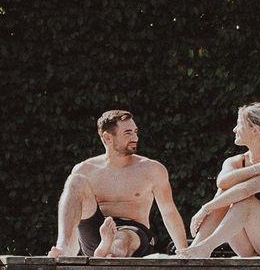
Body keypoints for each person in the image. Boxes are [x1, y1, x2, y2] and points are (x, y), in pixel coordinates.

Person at [50, 109, 192, 258]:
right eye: (128, 133)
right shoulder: (85, 169)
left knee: (123, 239)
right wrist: (68, 252)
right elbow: (74, 219)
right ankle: (63, 247)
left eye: (135, 132)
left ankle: (109, 249)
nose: (135, 138)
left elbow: (168, 211)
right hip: (97, 233)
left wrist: (183, 251)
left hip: (134, 232)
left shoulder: (151, 169)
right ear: (108, 138)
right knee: (75, 181)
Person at [181, 103, 260, 258]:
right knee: (225, 192)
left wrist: (206, 208)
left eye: (239, 124)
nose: (234, 129)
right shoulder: (236, 161)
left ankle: (206, 247)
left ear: (255, 131)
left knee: (245, 202)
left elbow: (246, 190)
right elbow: (222, 182)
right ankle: (196, 247)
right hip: (248, 245)